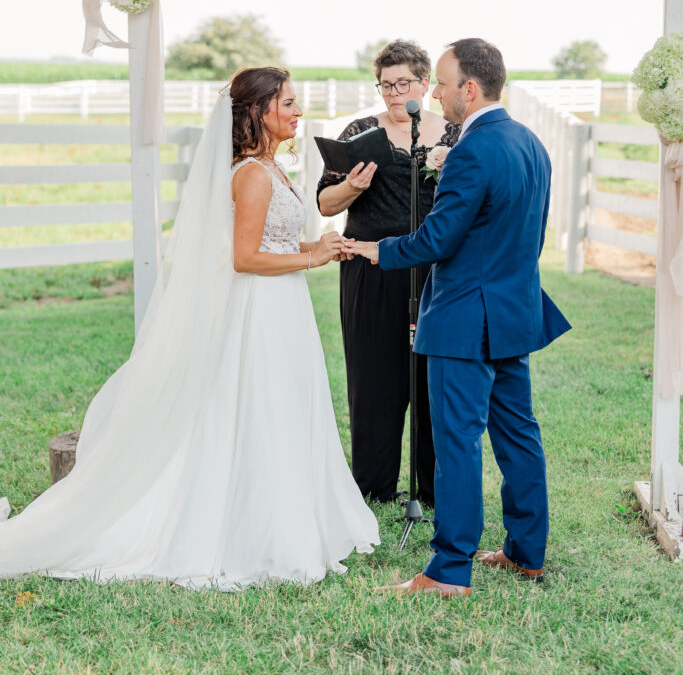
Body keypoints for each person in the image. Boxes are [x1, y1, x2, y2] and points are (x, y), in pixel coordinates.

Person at [0, 67, 379, 590]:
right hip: (258, 311)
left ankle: (289, 513)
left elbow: (272, 244)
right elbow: (244, 258)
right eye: (287, 103)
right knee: (257, 408)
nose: (297, 112)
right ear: (259, 111)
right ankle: (251, 528)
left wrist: (315, 248)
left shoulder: (274, 169)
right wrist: (312, 257)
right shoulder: (250, 174)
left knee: (281, 408)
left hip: (281, 308)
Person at [346, 39, 570, 597]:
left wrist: (375, 250)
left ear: (469, 90)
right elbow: (532, 233)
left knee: (457, 442)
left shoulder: (471, 149)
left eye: (442, 85)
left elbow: (438, 239)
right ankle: (526, 552)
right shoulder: (530, 143)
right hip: (513, 311)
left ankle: (448, 570)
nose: (437, 95)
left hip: (465, 316)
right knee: (519, 435)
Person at [317, 40, 459, 507]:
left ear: (424, 84)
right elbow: (325, 203)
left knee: (430, 377)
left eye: (403, 84)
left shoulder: (454, 134)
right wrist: (353, 187)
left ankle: (433, 487)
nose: (393, 94)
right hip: (369, 267)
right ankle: (373, 485)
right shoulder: (359, 132)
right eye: (385, 85)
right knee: (373, 377)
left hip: (433, 269)